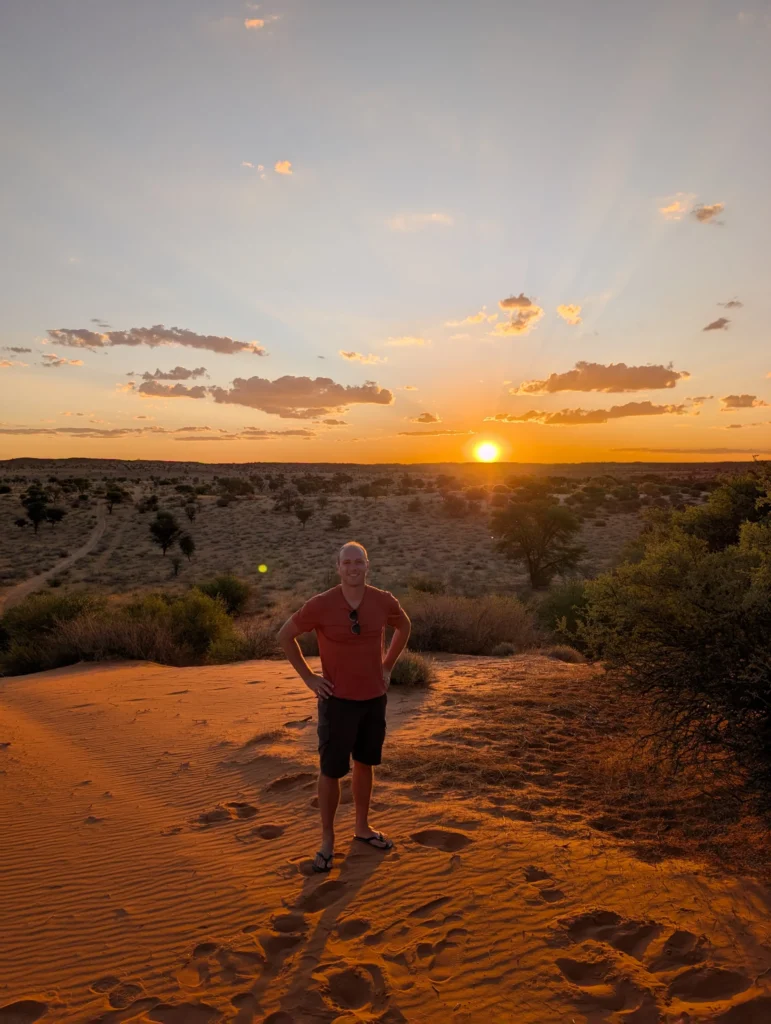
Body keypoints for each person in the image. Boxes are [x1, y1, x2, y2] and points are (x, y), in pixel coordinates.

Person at [277, 540, 411, 873]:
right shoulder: (321, 604)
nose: (353, 568)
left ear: (368, 566)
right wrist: (309, 678)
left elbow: (404, 626)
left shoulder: (383, 601)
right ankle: (327, 840)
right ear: (338, 568)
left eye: (359, 562)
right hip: (336, 701)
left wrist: (388, 665)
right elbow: (285, 635)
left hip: (373, 698)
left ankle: (362, 827)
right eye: (347, 562)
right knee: (332, 771)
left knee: (365, 764)